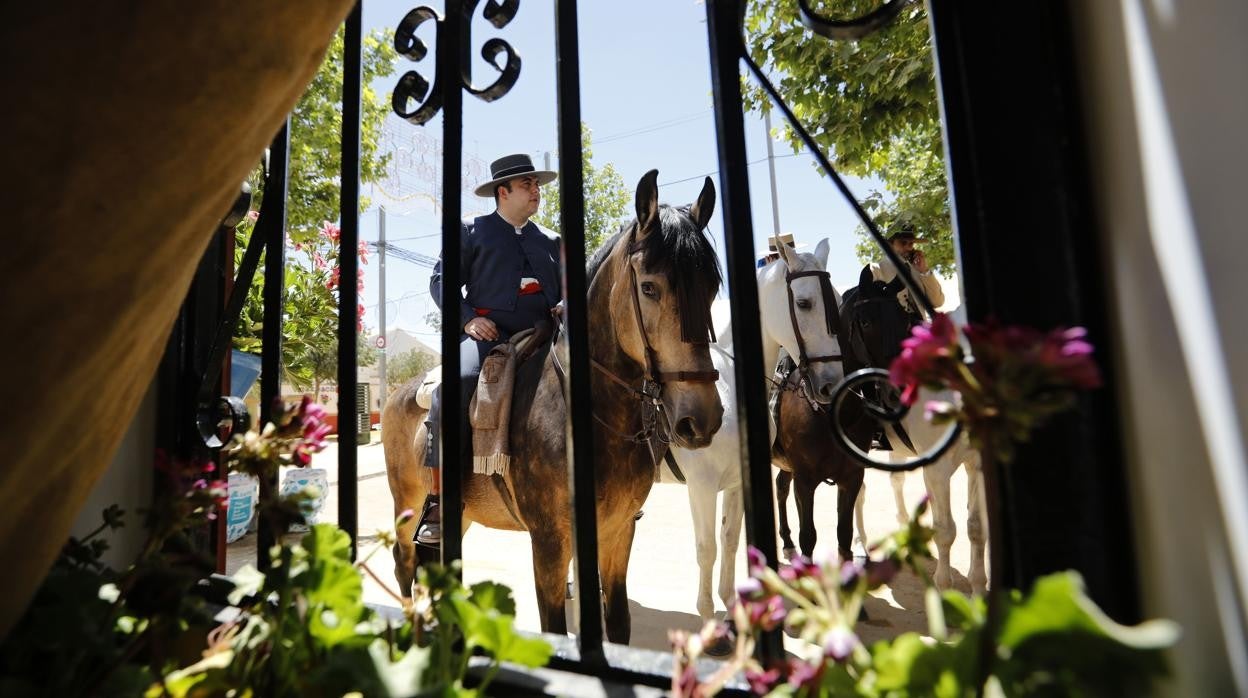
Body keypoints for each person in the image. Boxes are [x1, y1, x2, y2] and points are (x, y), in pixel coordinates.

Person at [416, 153, 563, 547]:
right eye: (528, 184)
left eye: (537, 184)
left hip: (545, 336)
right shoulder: (471, 231)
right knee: (452, 390)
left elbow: (568, 292)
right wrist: (466, 319)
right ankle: (440, 501)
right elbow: (441, 281)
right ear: (503, 192)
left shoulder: (552, 241)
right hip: (487, 337)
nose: (536, 191)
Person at [870, 223, 944, 324]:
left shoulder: (918, 271)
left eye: (910, 244)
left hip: (920, 333)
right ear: (890, 244)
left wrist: (924, 271)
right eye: (902, 242)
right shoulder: (877, 270)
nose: (908, 247)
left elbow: (937, 302)